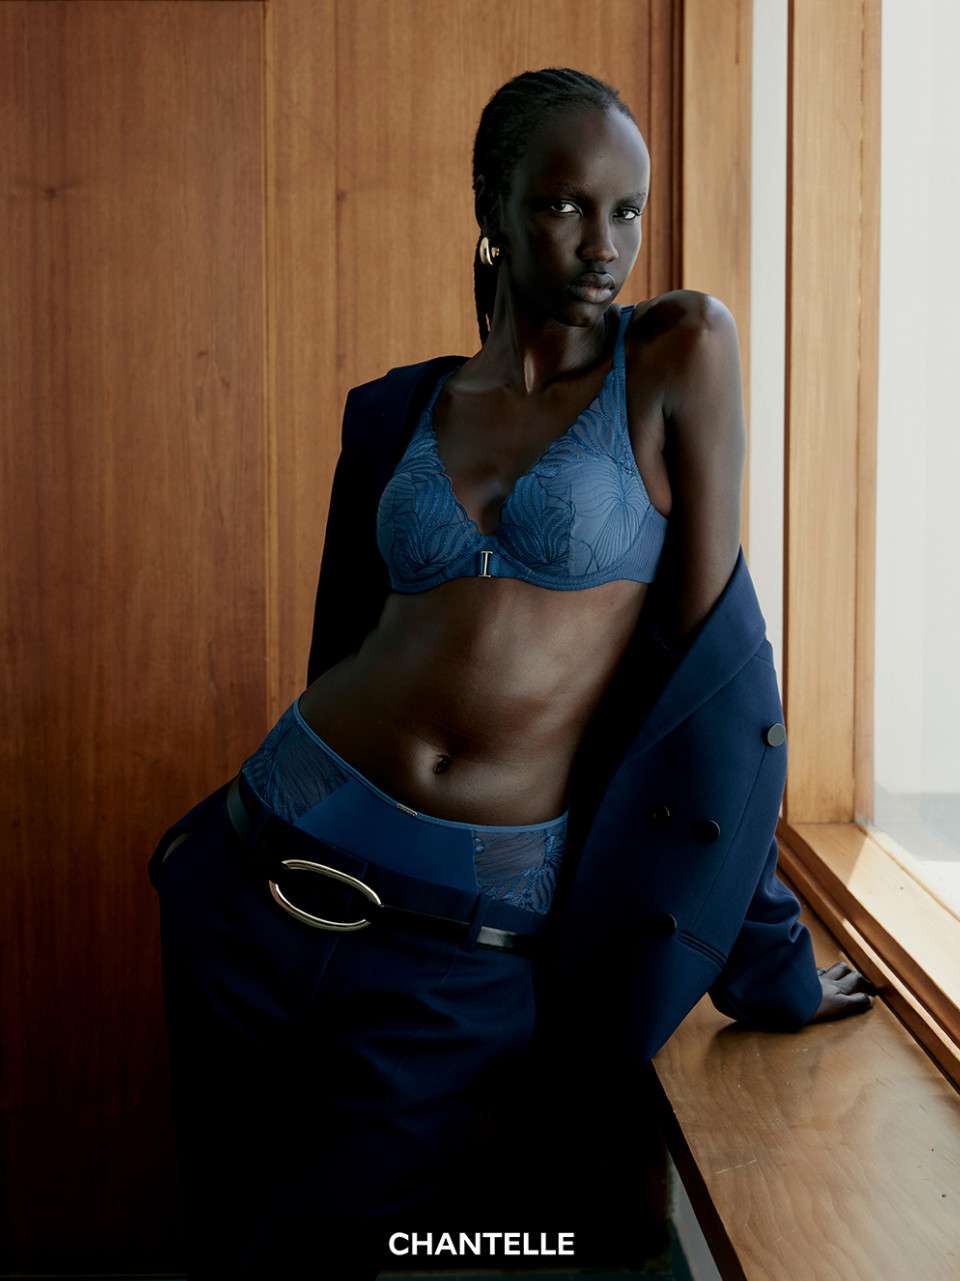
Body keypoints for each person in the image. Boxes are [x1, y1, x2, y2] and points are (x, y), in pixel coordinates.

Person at [149, 66, 875, 1280]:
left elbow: (715, 700)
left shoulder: (678, 356)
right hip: (255, 880)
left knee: (373, 1253)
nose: (605, 246)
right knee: (238, 1248)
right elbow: (343, 651)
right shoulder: (399, 410)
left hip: (457, 943)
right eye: (566, 206)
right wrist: (194, 859)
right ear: (494, 203)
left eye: (628, 211)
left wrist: (772, 964)